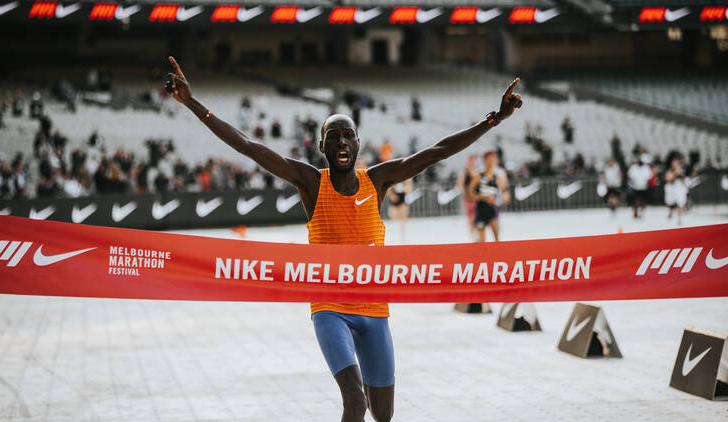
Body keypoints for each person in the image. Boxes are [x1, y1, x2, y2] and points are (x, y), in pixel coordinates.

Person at [164, 56, 522, 422]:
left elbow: (439, 152)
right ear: (322, 147)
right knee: (355, 400)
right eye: (332, 136)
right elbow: (247, 146)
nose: (341, 141)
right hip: (330, 308)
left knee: (384, 415)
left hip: (374, 311)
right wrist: (192, 102)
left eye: (347, 134)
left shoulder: (378, 180)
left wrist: (494, 118)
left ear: (358, 143)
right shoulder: (311, 182)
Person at [466, 151, 510, 243]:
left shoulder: (497, 178)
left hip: (492, 209)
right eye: (489, 159)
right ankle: (482, 256)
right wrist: (482, 197)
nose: (491, 162)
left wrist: (505, 196)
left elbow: (505, 191)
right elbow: (468, 195)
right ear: (484, 161)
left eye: (494, 159)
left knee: (497, 238)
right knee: (481, 242)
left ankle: (497, 256)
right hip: (480, 210)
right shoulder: (478, 176)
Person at [456, 155, 479, 237]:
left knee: (476, 215)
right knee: (470, 216)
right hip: (468, 198)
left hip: (476, 197)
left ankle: (475, 230)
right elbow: (459, 185)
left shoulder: (477, 172)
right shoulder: (464, 173)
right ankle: (472, 231)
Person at [386, 178, 413, 244]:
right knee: (394, 217)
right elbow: (389, 188)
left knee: (403, 216)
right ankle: (394, 235)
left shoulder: (406, 178)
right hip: (395, 198)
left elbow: (408, 190)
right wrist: (392, 195)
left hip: (402, 198)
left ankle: (403, 233)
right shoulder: (394, 177)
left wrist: (407, 184)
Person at [628, 153, 653, 219]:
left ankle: (641, 212)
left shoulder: (646, 168)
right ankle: (635, 211)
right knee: (635, 201)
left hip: (644, 187)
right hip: (635, 187)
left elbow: (649, 177)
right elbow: (630, 177)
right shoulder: (633, 167)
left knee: (643, 201)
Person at [664, 155, 688, 225]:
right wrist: (675, 174)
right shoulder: (669, 171)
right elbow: (669, 180)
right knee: (670, 203)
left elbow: (684, 180)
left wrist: (681, 175)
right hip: (671, 190)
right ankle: (670, 213)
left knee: (679, 204)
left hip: (679, 189)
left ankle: (679, 219)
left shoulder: (681, 171)